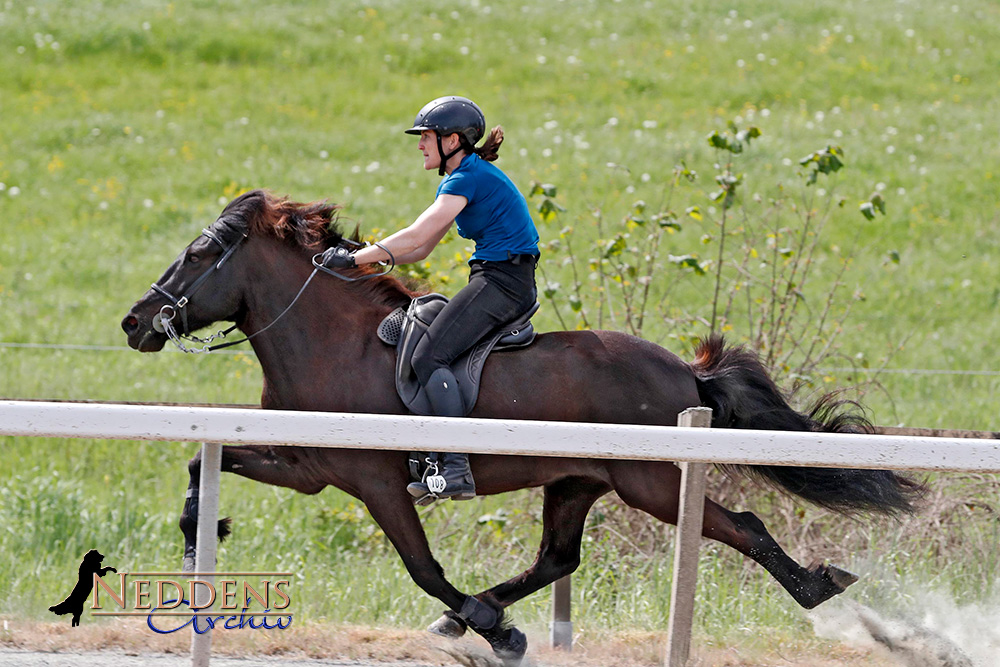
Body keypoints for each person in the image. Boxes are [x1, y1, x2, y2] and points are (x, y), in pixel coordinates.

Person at [322, 96, 540, 501]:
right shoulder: (467, 175)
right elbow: (421, 250)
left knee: (428, 356)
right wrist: (366, 261)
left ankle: (454, 467)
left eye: (425, 136)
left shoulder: (465, 179)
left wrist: (354, 257)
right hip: (499, 276)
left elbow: (417, 235)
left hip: (503, 282)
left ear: (452, 140)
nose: (420, 144)